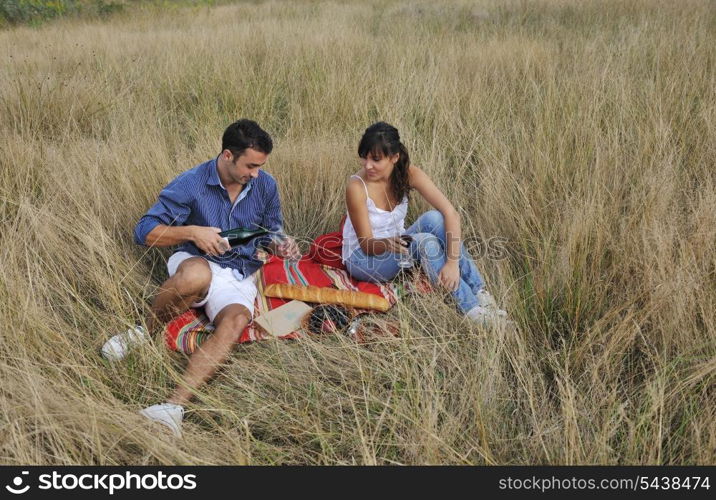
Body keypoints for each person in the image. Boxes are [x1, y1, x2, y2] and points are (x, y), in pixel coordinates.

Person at [101, 119, 300, 437]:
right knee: (196, 275)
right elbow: (144, 231)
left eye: (261, 166)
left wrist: (280, 242)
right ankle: (143, 332)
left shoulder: (266, 184)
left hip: (240, 272)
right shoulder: (191, 183)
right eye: (250, 165)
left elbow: (272, 227)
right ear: (227, 156)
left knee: (235, 322)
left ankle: (171, 409)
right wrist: (193, 231)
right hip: (195, 260)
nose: (256, 174)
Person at [342, 122, 507, 323]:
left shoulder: (409, 173)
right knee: (423, 241)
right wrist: (386, 243)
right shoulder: (356, 187)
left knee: (434, 218)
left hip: (396, 246)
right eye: (365, 157)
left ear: (394, 158)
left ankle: (480, 293)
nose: (368, 165)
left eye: (376, 159)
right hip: (362, 258)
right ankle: (472, 311)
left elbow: (451, 213)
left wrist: (453, 263)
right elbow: (367, 245)